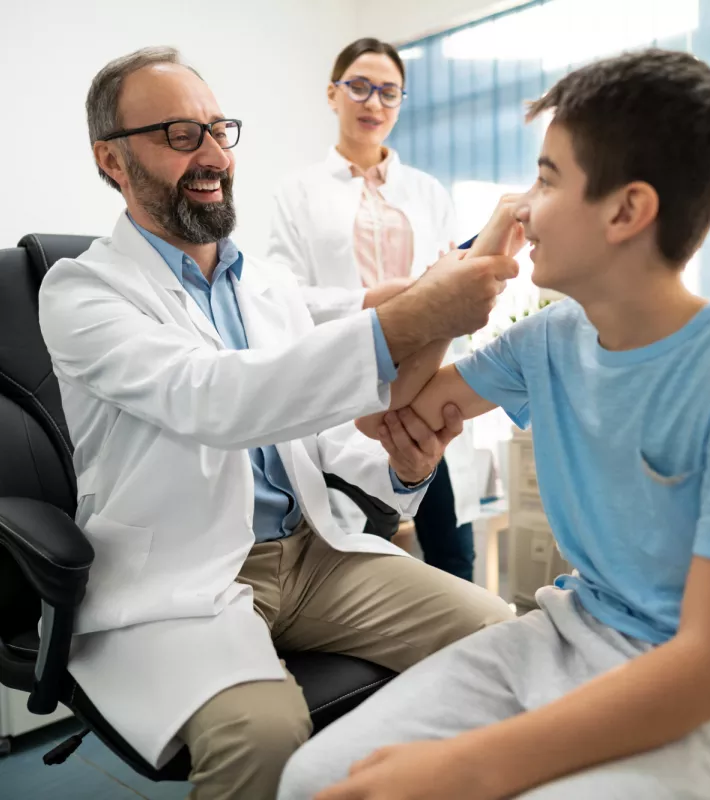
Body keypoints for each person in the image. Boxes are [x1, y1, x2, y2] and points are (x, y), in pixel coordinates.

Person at [277, 49, 710, 800]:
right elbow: (385, 415)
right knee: (315, 778)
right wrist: (471, 270)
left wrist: (470, 766)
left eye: (547, 178)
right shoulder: (549, 339)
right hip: (571, 631)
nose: (522, 205)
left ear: (627, 211)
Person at [37, 46, 518, 800]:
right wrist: (416, 314)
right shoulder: (81, 293)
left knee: (509, 642)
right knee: (262, 737)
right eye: (178, 134)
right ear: (112, 160)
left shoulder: (263, 284)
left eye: (218, 130)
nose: (213, 154)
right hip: (191, 574)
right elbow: (215, 397)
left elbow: (322, 427)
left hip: (312, 552)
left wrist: (404, 465)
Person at [265, 38, 481, 582]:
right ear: (333, 94)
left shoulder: (428, 193)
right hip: (346, 388)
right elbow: (279, 297)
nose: (373, 103)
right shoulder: (299, 193)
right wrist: (367, 301)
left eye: (388, 92)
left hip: (425, 384)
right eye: (359, 87)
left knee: (453, 553)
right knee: (359, 558)